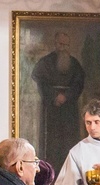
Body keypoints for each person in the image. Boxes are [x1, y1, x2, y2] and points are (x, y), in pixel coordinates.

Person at [31, 32, 86, 175]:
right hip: (51, 108)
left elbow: (79, 83)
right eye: (60, 44)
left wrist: (66, 96)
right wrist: (54, 96)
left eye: (66, 45)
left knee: (69, 139)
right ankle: (50, 172)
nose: (63, 48)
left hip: (69, 108)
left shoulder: (74, 64)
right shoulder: (45, 62)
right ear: (55, 44)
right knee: (52, 141)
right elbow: (40, 80)